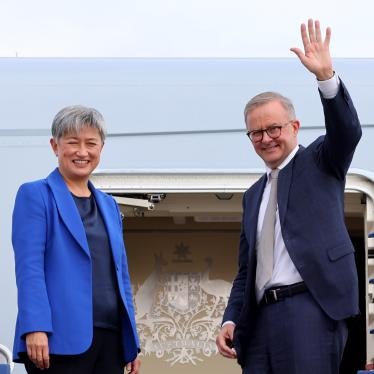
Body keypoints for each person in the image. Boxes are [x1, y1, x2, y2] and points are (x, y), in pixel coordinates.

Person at [216, 19, 361, 374]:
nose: (266, 138)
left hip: (310, 310)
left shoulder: (321, 162)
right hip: (259, 321)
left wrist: (326, 77)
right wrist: (230, 319)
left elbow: (347, 131)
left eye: (274, 128)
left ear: (294, 127)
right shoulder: (253, 196)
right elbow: (246, 270)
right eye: (256, 133)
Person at [12, 106, 141, 374]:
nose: (82, 152)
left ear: (101, 148)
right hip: (58, 339)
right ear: (54, 146)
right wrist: (35, 326)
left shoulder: (109, 205)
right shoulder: (36, 195)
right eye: (73, 142)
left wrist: (132, 342)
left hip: (111, 339)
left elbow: (122, 276)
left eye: (90, 143)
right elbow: (29, 269)